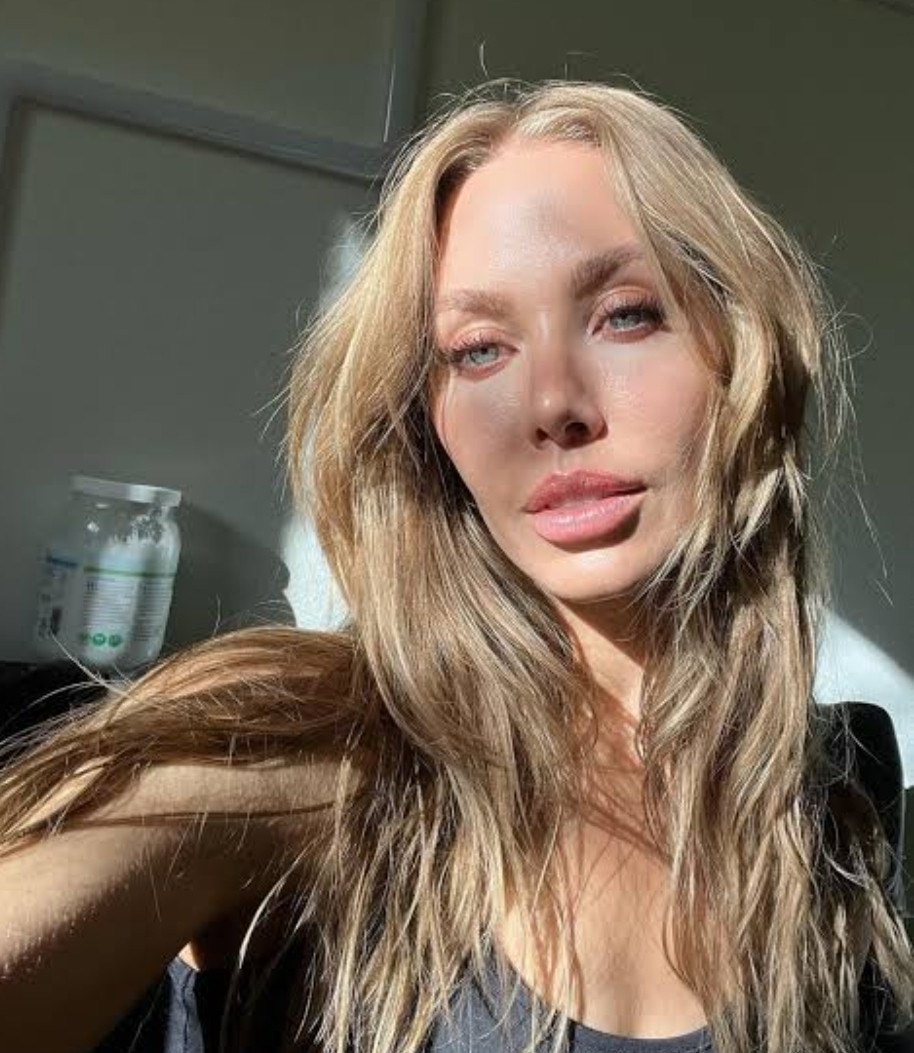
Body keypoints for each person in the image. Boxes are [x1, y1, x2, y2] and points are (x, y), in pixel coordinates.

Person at [0, 78, 912, 1053]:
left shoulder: (834, 807)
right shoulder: (306, 750)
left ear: (743, 355)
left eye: (625, 314)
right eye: (479, 351)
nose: (552, 404)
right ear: (426, 427)